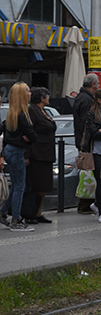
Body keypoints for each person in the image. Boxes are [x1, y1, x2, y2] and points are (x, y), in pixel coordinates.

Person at [0, 82, 37, 231]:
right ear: (22, 95)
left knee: (16, 185)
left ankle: (3, 213)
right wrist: (25, 139)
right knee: (20, 186)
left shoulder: (12, 114)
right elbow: (33, 136)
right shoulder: (23, 115)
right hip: (16, 152)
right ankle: (16, 220)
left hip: (10, 150)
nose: (30, 94)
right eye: (27, 91)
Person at [82, 88, 101, 224]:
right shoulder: (92, 114)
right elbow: (95, 134)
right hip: (96, 151)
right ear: (99, 100)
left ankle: (97, 204)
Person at [27, 87, 56, 223]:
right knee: (37, 184)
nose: (48, 98)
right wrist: (27, 154)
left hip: (46, 153)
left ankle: (39, 212)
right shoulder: (32, 110)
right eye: (47, 96)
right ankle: (31, 213)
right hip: (37, 153)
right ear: (41, 98)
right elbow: (29, 131)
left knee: (44, 185)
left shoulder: (43, 111)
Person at [73, 73, 99, 214]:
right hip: (87, 143)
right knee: (89, 173)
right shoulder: (87, 100)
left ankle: (87, 203)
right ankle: (85, 204)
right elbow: (86, 123)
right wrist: (86, 142)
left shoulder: (82, 97)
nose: (99, 84)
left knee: (88, 173)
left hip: (84, 141)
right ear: (93, 84)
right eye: (98, 82)